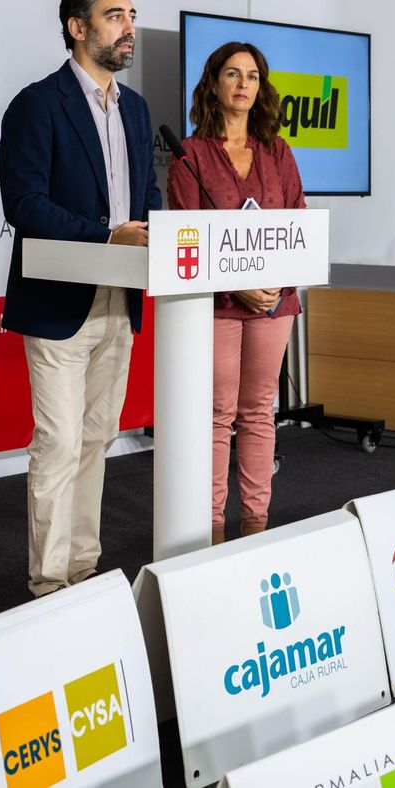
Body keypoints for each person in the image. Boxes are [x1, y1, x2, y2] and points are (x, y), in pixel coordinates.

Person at [0, 0, 162, 597]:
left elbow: (146, 197)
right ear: (77, 27)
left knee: (98, 439)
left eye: (131, 14)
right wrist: (106, 237)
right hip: (59, 301)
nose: (129, 28)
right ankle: (47, 583)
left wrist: (147, 233)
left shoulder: (138, 108)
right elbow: (25, 204)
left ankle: (82, 571)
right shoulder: (37, 104)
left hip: (122, 300)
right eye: (115, 15)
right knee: (61, 442)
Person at [166, 42, 307, 545]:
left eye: (252, 75)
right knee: (217, 414)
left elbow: (298, 226)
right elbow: (184, 234)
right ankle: (210, 533)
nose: (243, 84)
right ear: (214, 84)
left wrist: (273, 289)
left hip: (275, 303)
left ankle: (256, 528)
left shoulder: (278, 151)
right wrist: (237, 286)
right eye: (232, 73)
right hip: (217, 305)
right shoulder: (190, 154)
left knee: (258, 410)